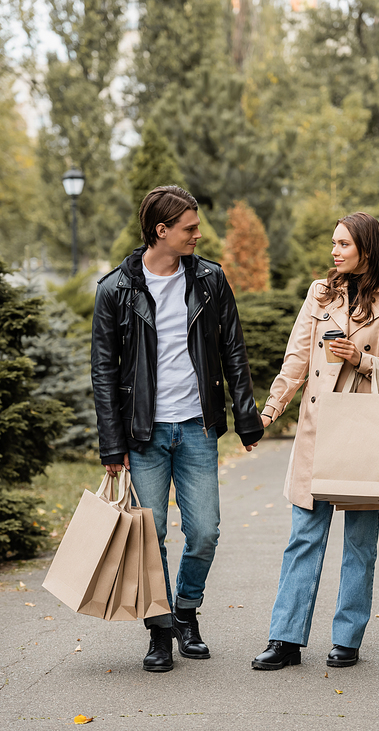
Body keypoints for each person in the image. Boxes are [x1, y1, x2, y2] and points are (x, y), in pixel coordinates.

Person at [91, 185, 263, 673]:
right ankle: (161, 629)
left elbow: (233, 349)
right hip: (142, 435)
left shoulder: (210, 280)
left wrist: (247, 417)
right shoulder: (115, 289)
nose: (198, 234)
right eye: (189, 227)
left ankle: (186, 610)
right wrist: (111, 444)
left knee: (204, 531)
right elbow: (103, 372)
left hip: (196, 427)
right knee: (152, 536)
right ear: (160, 231)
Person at [252, 212, 379, 670]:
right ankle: (285, 639)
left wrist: (362, 359)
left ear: (366, 248)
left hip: (363, 430)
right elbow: (296, 359)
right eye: (333, 243)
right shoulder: (320, 293)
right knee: (303, 536)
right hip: (317, 426)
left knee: (360, 542)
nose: (335, 251)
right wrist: (269, 410)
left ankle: (347, 638)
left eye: (343, 244)